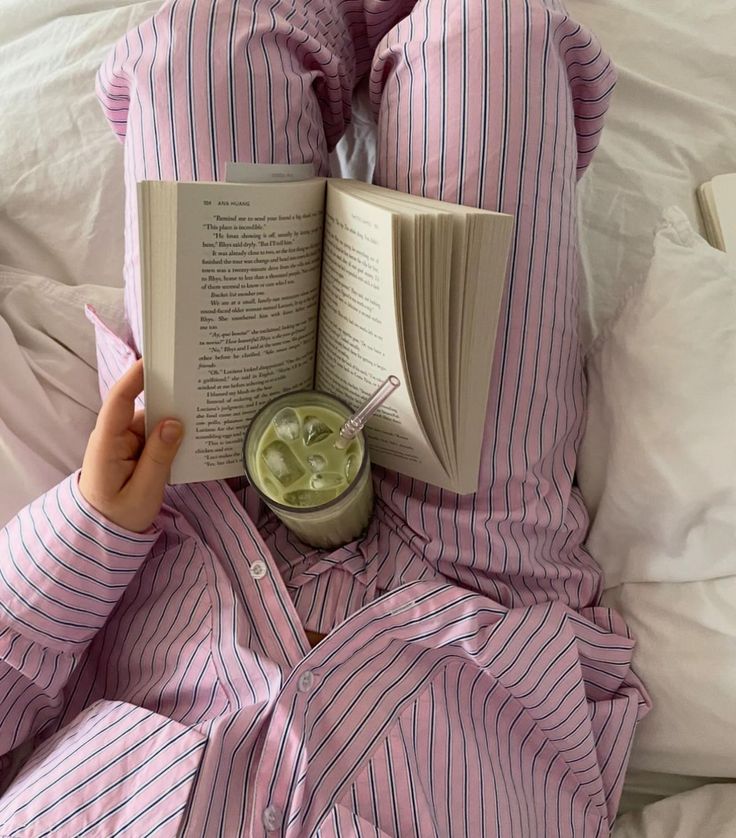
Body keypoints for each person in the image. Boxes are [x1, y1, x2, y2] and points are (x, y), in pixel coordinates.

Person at [0, 0, 649, 834]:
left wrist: (89, 531)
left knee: (204, 49)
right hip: (477, 575)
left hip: (189, 519)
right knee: (492, 43)